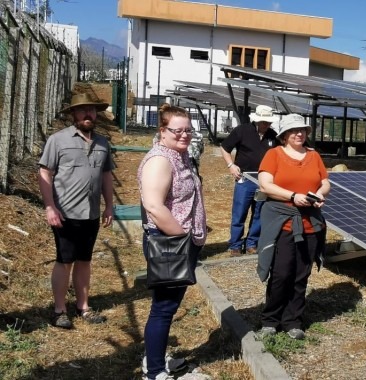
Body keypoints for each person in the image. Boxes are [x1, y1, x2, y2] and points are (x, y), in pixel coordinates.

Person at [138, 104, 207, 380]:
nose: (184, 135)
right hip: (170, 243)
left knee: (166, 307)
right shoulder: (160, 161)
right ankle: (154, 372)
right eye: (177, 130)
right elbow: (154, 206)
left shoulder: (180, 156)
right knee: (163, 309)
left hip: (179, 242)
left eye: (188, 130)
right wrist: (182, 237)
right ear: (162, 130)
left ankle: (154, 358)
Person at [38, 93, 113, 329]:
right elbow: (44, 173)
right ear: (74, 114)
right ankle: (59, 310)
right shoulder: (58, 140)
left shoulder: (102, 143)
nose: (88, 114)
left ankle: (83, 307)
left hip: (90, 214)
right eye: (83, 110)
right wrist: (50, 206)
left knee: (84, 260)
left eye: (92, 110)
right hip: (65, 214)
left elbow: (106, 175)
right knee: (64, 261)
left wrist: (109, 205)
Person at [256, 113, 330, 340]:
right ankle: (271, 320)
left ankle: (293, 321)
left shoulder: (314, 155)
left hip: (310, 222)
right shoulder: (273, 154)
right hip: (283, 222)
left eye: (303, 130)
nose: (299, 134)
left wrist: (318, 194)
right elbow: (265, 184)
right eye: (294, 130)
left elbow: (325, 182)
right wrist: (292, 195)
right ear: (284, 135)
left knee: (301, 274)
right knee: (280, 273)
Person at [221, 105, 279, 257]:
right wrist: (231, 165)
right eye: (264, 122)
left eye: (268, 122)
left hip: (264, 180)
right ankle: (235, 245)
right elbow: (225, 147)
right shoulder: (242, 130)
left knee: (259, 212)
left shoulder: (273, 135)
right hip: (244, 178)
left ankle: (252, 243)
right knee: (239, 213)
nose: (267, 125)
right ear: (257, 120)